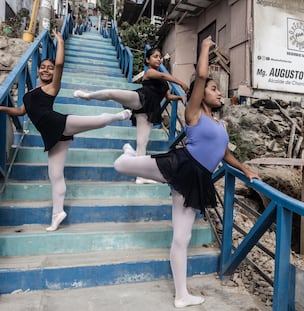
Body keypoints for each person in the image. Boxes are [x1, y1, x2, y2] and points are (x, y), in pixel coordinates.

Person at [113, 36, 260, 308]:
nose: (218, 93)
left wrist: (245, 168)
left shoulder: (221, 126)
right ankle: (130, 153)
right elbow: (201, 75)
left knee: (182, 238)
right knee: (120, 165)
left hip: (197, 179)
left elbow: (224, 153)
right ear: (200, 93)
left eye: (219, 90)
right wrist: (205, 48)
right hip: (180, 164)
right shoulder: (194, 113)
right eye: (213, 89)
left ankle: (181, 295)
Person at [0, 30, 132, 232]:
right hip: (52, 137)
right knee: (55, 174)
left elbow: (60, 64)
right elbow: (19, 111)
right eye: (43, 67)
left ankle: (119, 116)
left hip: (59, 123)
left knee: (95, 121)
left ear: (54, 73)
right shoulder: (30, 93)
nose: (45, 70)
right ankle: (57, 214)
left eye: (49, 68)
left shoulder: (52, 88)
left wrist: (60, 41)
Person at [73, 47, 189, 184]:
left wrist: (180, 98)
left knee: (142, 144)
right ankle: (88, 96)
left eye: (160, 57)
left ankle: (140, 177)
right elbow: (163, 75)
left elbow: (167, 96)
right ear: (147, 60)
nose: (159, 59)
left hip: (150, 110)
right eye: (155, 56)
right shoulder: (150, 72)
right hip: (141, 98)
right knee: (112, 93)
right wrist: (181, 82)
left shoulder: (164, 83)